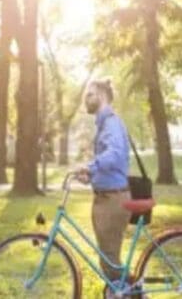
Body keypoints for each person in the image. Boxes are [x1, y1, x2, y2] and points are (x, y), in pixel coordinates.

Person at [76, 79, 131, 295]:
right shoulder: (104, 124)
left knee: (110, 260)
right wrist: (90, 176)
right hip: (106, 196)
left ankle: (128, 293)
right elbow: (109, 161)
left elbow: (115, 154)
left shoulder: (111, 122)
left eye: (90, 94)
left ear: (101, 94)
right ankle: (122, 291)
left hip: (113, 199)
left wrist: (91, 166)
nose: (86, 99)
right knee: (109, 259)